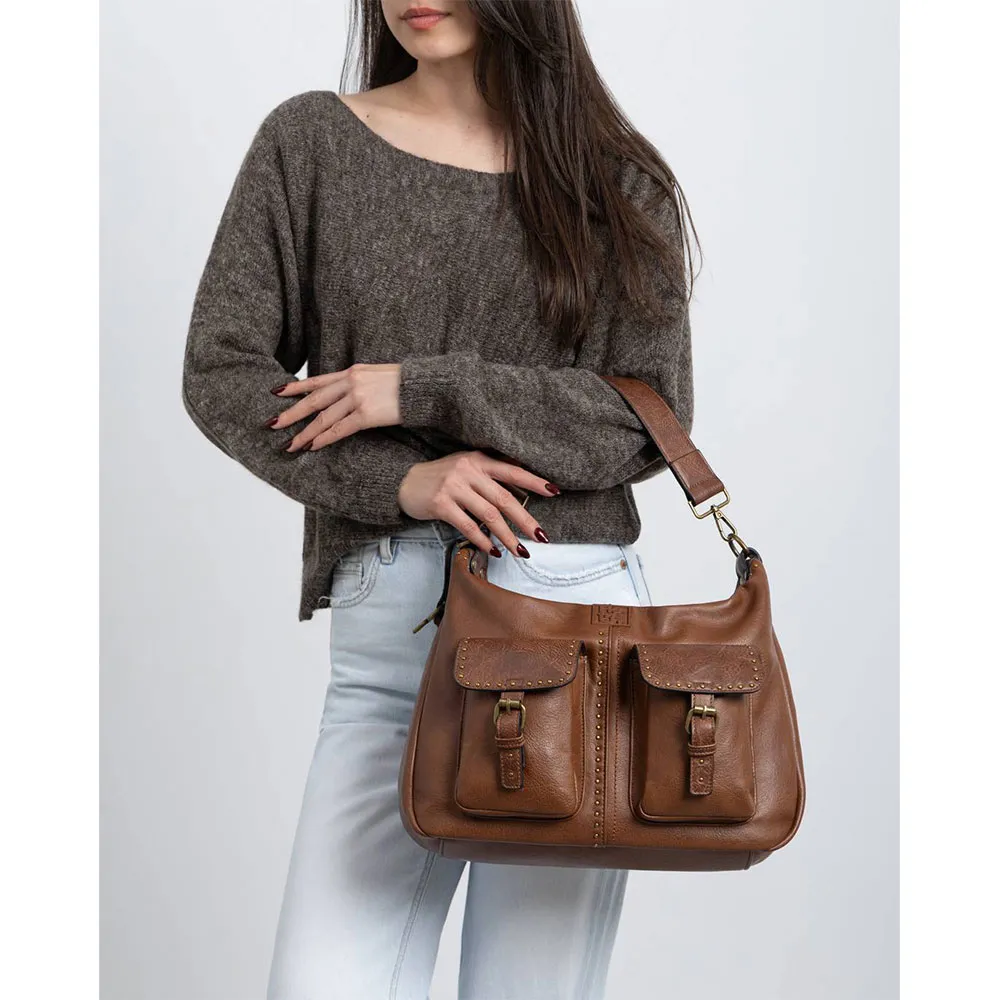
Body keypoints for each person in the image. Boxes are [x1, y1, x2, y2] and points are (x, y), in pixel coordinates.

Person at [181, 2, 701, 997]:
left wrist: (422, 388)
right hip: (389, 644)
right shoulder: (313, 142)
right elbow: (223, 371)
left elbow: (644, 418)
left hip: (574, 624)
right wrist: (400, 481)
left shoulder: (616, 179)